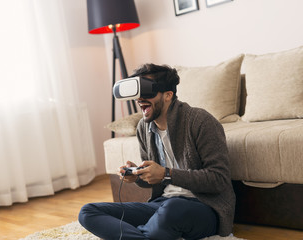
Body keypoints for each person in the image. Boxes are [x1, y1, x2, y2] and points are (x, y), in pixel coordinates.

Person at [79, 63, 236, 240]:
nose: (139, 100)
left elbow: (218, 180)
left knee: (173, 208)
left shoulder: (200, 121)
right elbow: (154, 182)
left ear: (168, 95)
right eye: (138, 94)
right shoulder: (143, 128)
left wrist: (166, 174)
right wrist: (138, 176)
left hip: (203, 207)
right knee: (88, 212)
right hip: (161, 205)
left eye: (146, 93)